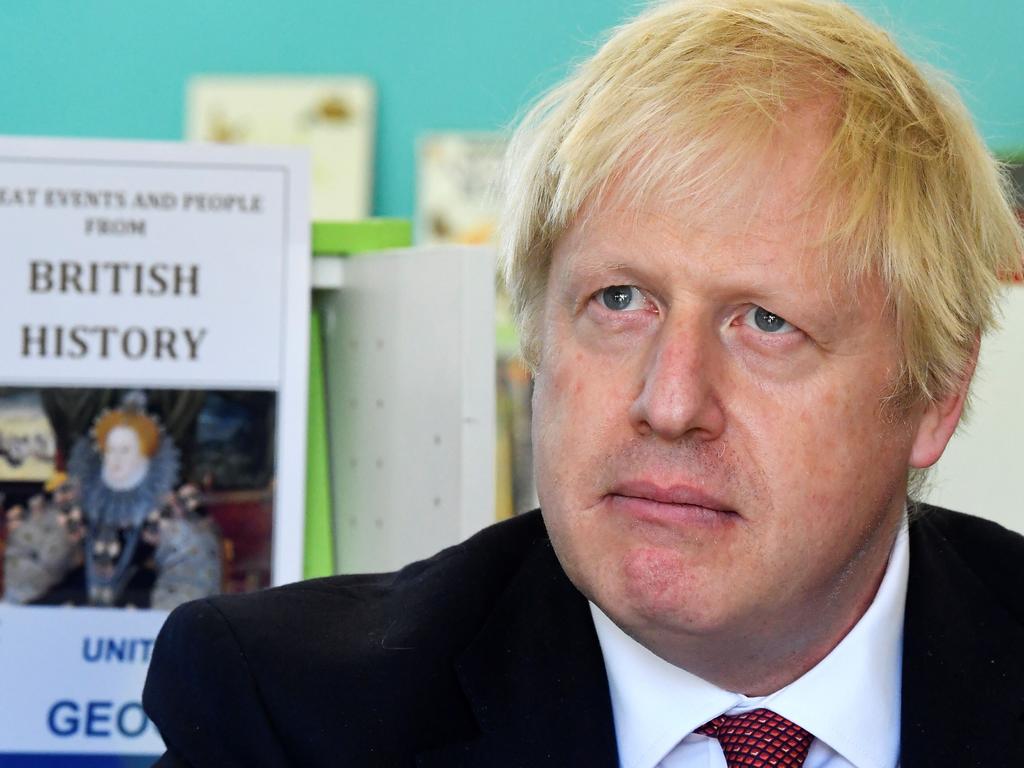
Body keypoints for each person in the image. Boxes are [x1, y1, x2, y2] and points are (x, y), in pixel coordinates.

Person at [143, 1, 1024, 765]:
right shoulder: (291, 718)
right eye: (619, 300)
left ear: (937, 393)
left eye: (765, 322)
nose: (670, 403)